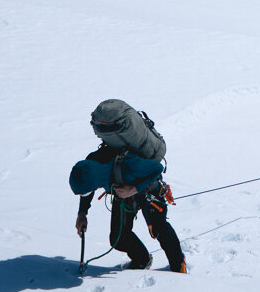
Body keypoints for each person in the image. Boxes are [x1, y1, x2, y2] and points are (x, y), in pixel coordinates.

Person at [70, 102, 187, 272]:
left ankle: (178, 264)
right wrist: (82, 213)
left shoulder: (128, 163)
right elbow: (87, 189)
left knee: (158, 229)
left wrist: (134, 189)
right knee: (119, 238)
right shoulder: (91, 165)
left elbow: (156, 169)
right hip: (124, 197)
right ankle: (142, 260)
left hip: (149, 191)